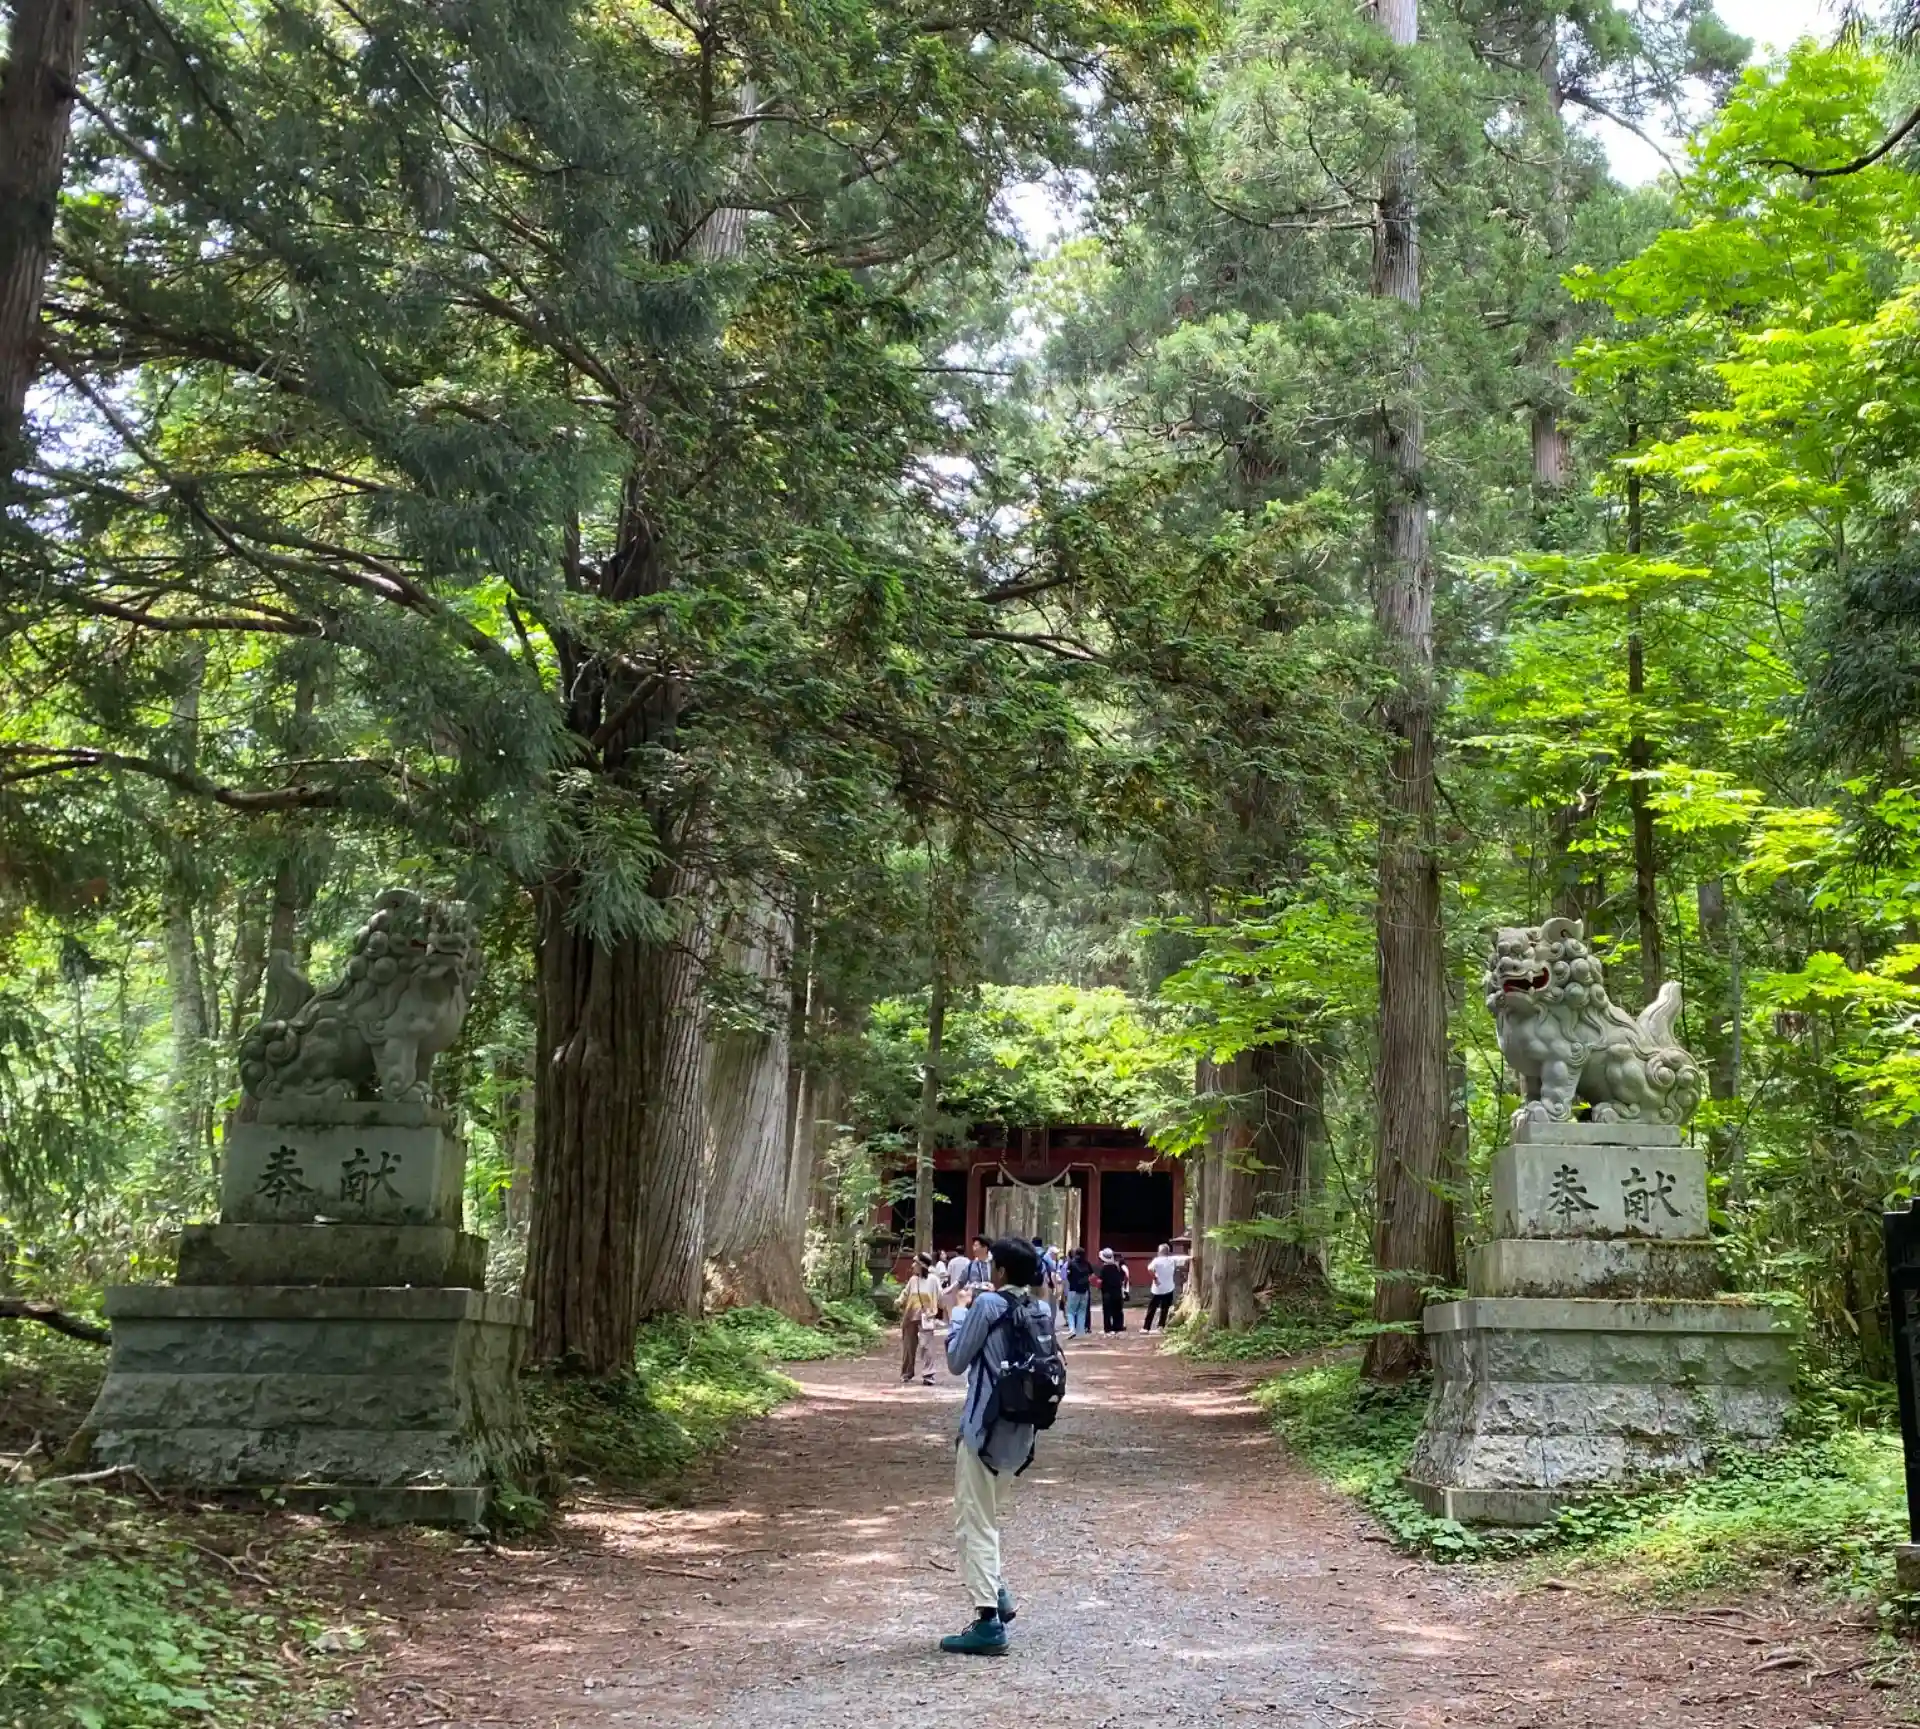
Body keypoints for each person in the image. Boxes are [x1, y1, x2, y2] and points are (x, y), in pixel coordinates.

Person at [941, 1236, 1057, 1655]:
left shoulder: (988, 1305)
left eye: (993, 1263)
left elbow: (956, 1361)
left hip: (983, 1431)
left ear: (1002, 1271)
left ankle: (988, 1622)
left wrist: (959, 1313)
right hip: (1020, 1433)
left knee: (974, 1522)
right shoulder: (1041, 1308)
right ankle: (998, 1591)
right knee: (985, 1516)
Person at [899, 1253, 942, 1383]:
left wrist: (934, 1309)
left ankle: (928, 1374)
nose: (913, 1265)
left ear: (922, 1265)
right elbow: (905, 1293)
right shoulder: (913, 1280)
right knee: (908, 1345)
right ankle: (907, 1372)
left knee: (926, 1345)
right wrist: (900, 1300)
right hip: (910, 1315)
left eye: (915, 1263)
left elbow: (939, 1295)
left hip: (926, 1316)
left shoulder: (933, 1280)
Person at [1142, 1242, 1188, 1333]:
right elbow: (1183, 1258)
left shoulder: (1157, 1260)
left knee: (1152, 1308)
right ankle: (1161, 1326)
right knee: (1165, 1308)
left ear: (1159, 1252)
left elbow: (1149, 1268)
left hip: (1157, 1289)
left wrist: (1155, 1278)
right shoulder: (1172, 1260)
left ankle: (1146, 1328)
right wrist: (1192, 1258)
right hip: (1168, 1288)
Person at [1095, 1247, 1127, 1333]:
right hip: (1117, 1292)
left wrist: (1098, 1286)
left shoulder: (1104, 1268)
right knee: (1117, 1310)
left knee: (1107, 1311)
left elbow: (1100, 1281)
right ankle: (1118, 1326)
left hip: (1107, 1293)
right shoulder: (1116, 1266)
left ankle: (1108, 1328)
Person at [1063, 1247, 1093, 1337]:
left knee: (1070, 1311)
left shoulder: (1071, 1263)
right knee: (1082, 1311)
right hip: (1085, 1290)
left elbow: (1068, 1275)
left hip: (1074, 1290)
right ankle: (1080, 1331)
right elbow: (1091, 1275)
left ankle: (1072, 1329)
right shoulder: (1087, 1263)